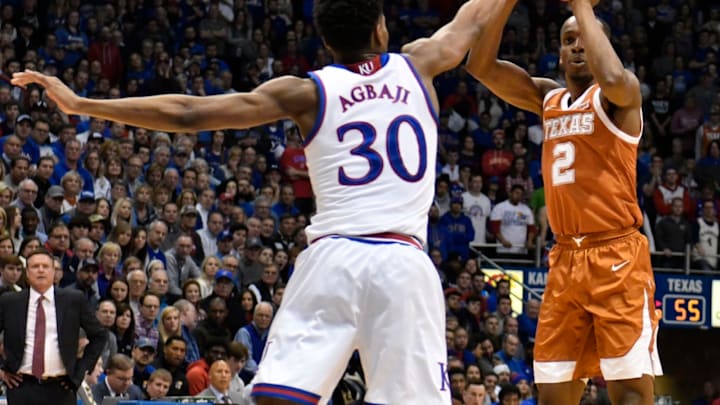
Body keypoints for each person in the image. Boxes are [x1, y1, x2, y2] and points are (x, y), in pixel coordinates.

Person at [12, 0, 508, 402]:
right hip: (404, 260)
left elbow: (187, 112)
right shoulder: (421, 63)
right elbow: (475, 16)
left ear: (328, 44)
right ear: (382, 29)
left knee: (278, 397)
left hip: (334, 256)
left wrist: (81, 103)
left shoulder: (307, 91)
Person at [465, 0, 662, 403]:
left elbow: (609, 73)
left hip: (616, 256)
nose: (577, 46)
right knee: (553, 392)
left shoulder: (621, 97)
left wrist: (582, 7)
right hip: (564, 260)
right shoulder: (548, 99)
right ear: (558, 53)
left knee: (629, 393)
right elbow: (480, 66)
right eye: (568, 40)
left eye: (585, 39)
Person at [0, 248, 107, 405]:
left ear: (54, 272)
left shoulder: (73, 300)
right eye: (35, 266)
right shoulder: (10, 301)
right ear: (27, 273)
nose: (41, 270)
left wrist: (79, 372)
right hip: (21, 386)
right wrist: (1, 371)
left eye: (46, 266)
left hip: (61, 387)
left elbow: (99, 335)